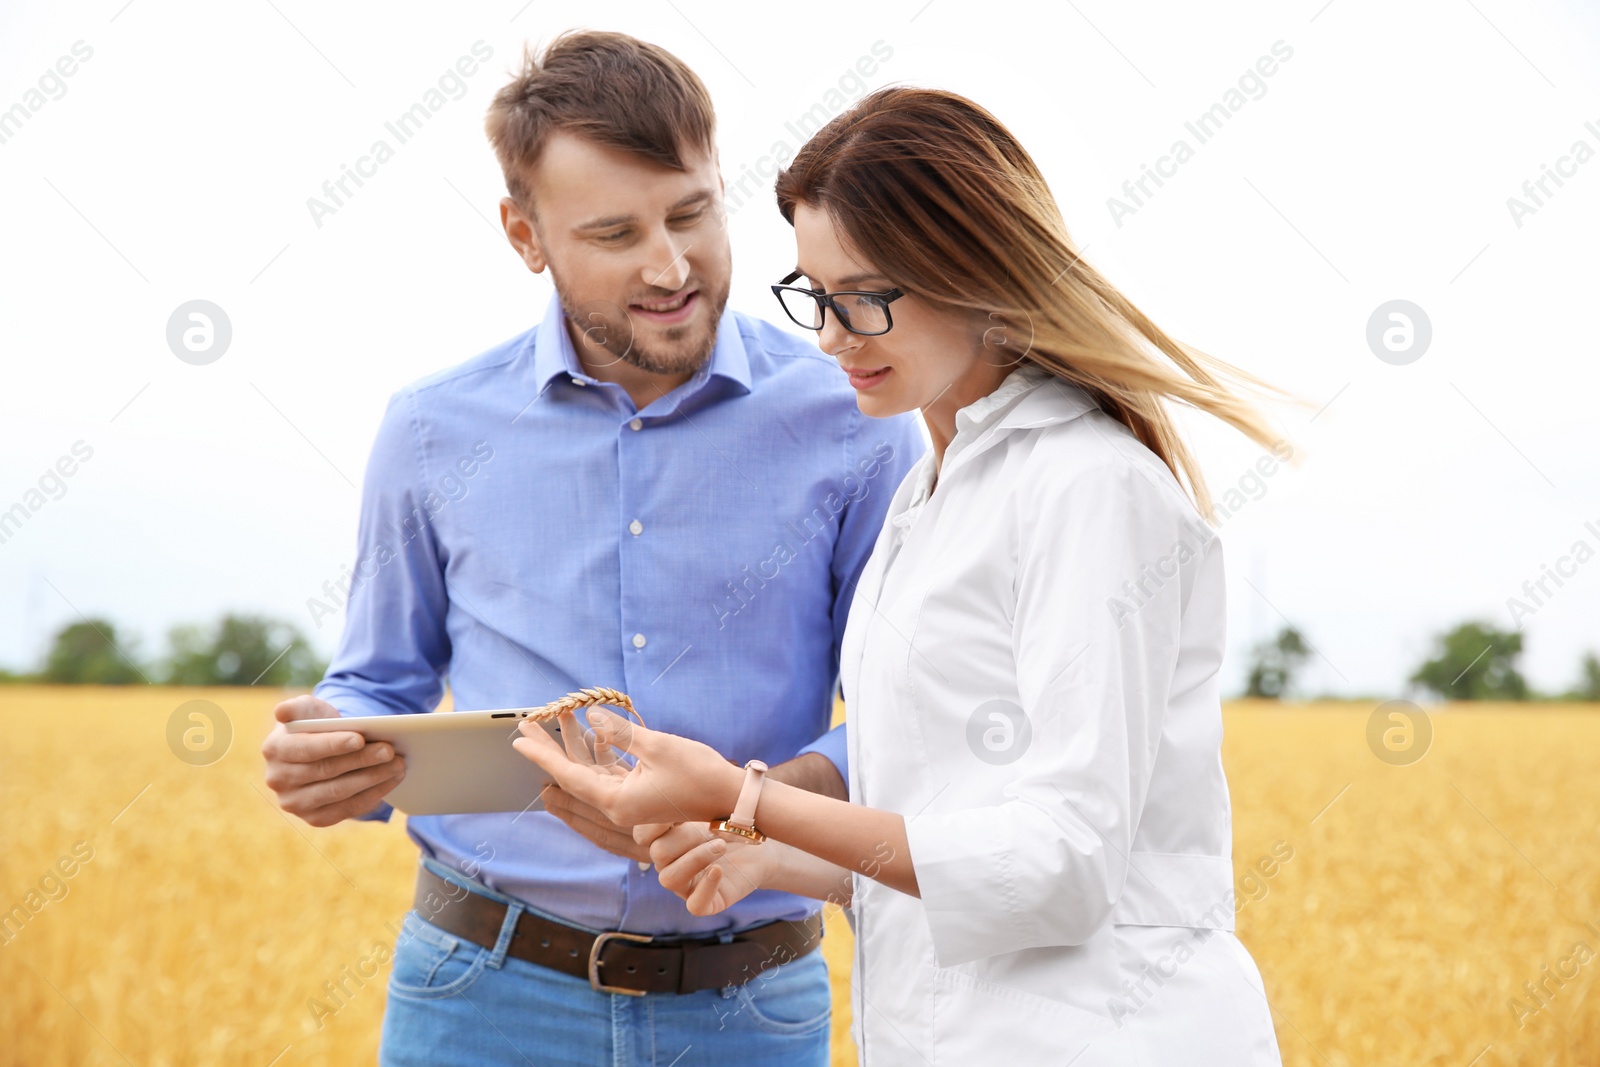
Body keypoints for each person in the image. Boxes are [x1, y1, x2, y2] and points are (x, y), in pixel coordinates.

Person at [516, 86, 1290, 1064]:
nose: (832, 336)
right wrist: (771, 855)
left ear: (978, 274)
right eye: (814, 295)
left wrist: (742, 794)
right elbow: (955, 840)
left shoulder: (1089, 486)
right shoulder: (929, 495)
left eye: (866, 295)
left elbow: (1064, 866)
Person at [259, 32, 923, 1067]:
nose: (670, 266)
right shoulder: (431, 430)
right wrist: (334, 745)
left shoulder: (855, 417)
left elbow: (904, 712)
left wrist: (741, 804)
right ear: (525, 235)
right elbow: (377, 678)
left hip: (751, 1002)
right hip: (477, 994)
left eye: (693, 213)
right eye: (615, 233)